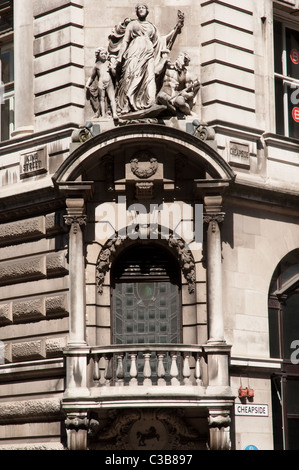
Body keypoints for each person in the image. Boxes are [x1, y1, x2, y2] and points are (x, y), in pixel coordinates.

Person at [110, 4, 182, 114]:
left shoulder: (152, 27)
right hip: (134, 51)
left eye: (143, 8)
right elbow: (125, 41)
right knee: (130, 76)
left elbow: (161, 40)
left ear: (147, 11)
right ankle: (127, 104)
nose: (141, 9)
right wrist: (119, 57)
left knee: (150, 77)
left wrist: (175, 30)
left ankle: (150, 102)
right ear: (136, 12)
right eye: (139, 8)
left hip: (148, 54)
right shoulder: (132, 24)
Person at [86, 47, 118, 120]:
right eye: (102, 53)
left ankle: (115, 114)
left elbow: (114, 74)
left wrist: (112, 68)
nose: (104, 55)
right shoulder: (96, 65)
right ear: (98, 55)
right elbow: (92, 77)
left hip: (109, 82)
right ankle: (103, 115)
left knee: (112, 98)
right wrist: (87, 84)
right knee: (102, 99)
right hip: (101, 83)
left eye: (105, 53)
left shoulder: (109, 63)